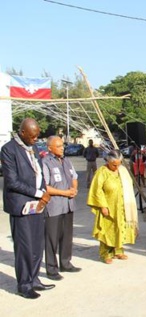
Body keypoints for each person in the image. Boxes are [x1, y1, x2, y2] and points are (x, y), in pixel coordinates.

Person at [0, 118, 54, 299]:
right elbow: (12, 181)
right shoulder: (8, 150)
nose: (35, 139)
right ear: (22, 132)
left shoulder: (34, 147)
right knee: (25, 246)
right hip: (21, 205)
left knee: (37, 244)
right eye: (32, 136)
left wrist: (44, 192)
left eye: (37, 135)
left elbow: (39, 172)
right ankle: (24, 284)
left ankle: (35, 279)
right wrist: (39, 193)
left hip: (38, 204)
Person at [87, 150, 139, 264]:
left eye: (119, 164)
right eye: (114, 165)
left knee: (120, 227)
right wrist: (102, 206)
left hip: (122, 205)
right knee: (107, 229)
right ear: (108, 161)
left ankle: (118, 250)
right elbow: (97, 190)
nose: (117, 167)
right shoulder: (102, 172)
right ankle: (105, 254)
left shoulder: (122, 171)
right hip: (108, 206)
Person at [42, 136, 81, 281]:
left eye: (62, 145)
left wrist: (74, 189)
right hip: (54, 206)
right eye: (58, 146)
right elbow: (45, 186)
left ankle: (65, 263)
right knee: (52, 238)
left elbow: (74, 177)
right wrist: (64, 193)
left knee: (67, 236)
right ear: (49, 148)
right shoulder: (46, 163)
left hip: (68, 205)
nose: (62, 148)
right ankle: (51, 269)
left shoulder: (67, 161)